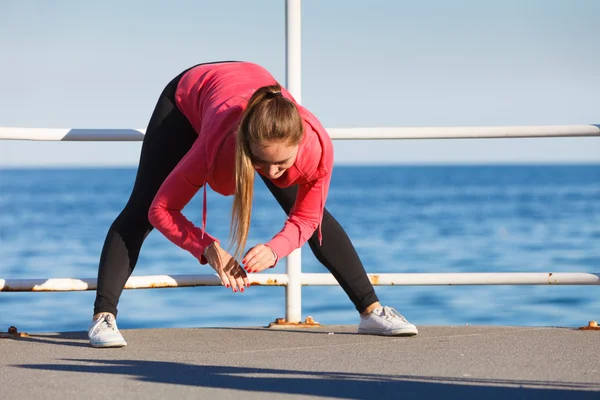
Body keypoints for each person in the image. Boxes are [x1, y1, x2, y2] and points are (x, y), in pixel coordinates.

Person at [88, 61, 418, 348]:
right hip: (189, 93)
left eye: (283, 164)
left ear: (299, 141)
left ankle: (372, 312)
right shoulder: (216, 148)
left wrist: (276, 249)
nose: (274, 174)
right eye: (262, 163)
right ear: (247, 147)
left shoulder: (318, 148)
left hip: (253, 94)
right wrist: (207, 247)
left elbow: (306, 217)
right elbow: (161, 209)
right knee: (140, 207)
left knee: (318, 219)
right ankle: (103, 316)